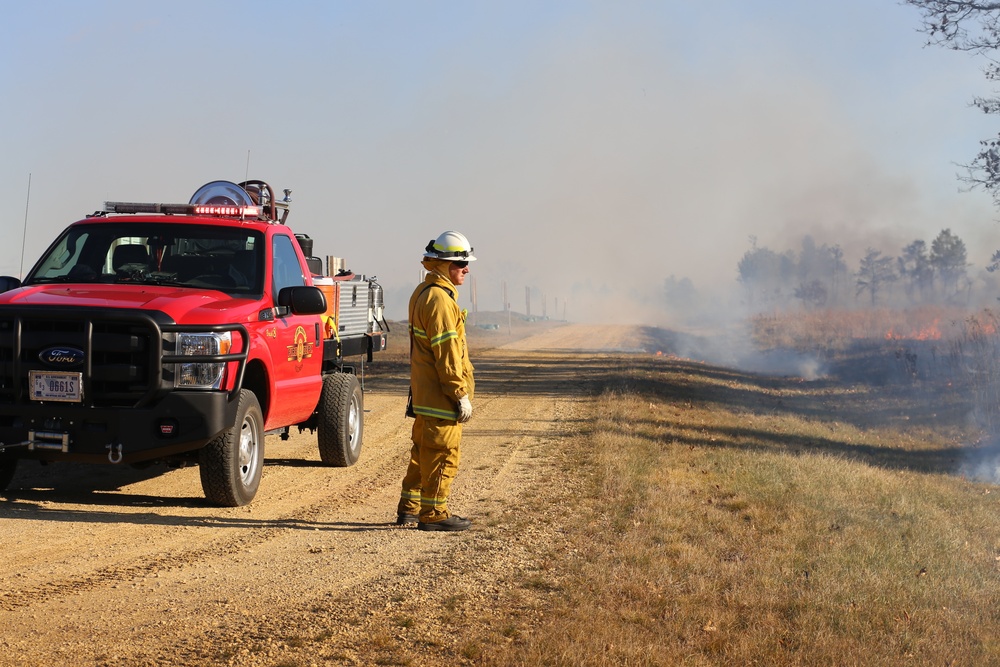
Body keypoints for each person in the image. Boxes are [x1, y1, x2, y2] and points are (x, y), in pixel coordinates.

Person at [396, 231, 477, 531]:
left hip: (424, 394)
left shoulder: (423, 292)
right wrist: (459, 394)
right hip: (441, 396)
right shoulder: (441, 301)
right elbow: (448, 354)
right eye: (461, 263)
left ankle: (409, 508)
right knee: (442, 454)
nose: (466, 269)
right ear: (443, 265)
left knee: (422, 453)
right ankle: (434, 514)